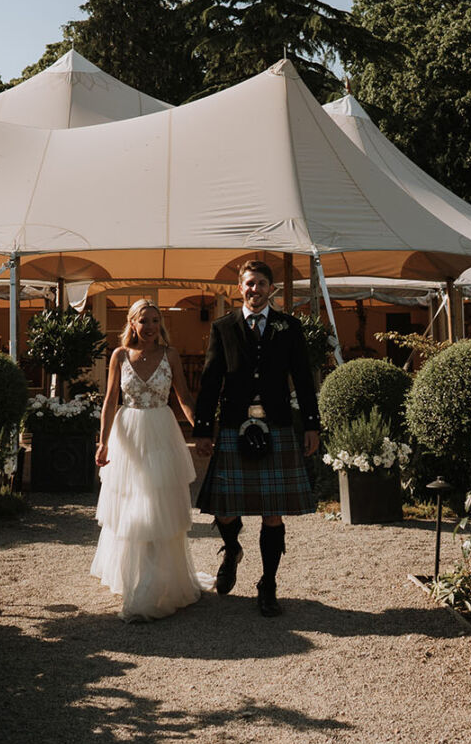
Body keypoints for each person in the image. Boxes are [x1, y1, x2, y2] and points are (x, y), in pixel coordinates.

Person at [193, 259, 321, 617]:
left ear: (271, 289)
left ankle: (268, 583)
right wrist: (203, 429)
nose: (255, 289)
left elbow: (303, 379)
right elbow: (209, 381)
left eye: (261, 283)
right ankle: (232, 549)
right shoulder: (223, 327)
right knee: (224, 507)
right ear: (240, 287)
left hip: (277, 423)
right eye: (249, 283)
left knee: (273, 513)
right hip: (234, 424)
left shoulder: (289, 327)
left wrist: (312, 424)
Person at [90, 299, 210, 621]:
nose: (151, 327)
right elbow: (110, 400)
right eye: (144, 321)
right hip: (127, 436)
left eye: (155, 321)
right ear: (132, 324)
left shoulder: (170, 355)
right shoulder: (118, 356)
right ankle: (130, 576)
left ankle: (156, 582)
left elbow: (183, 397)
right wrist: (103, 442)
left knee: (158, 506)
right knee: (130, 506)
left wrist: (201, 432)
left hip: (161, 433)